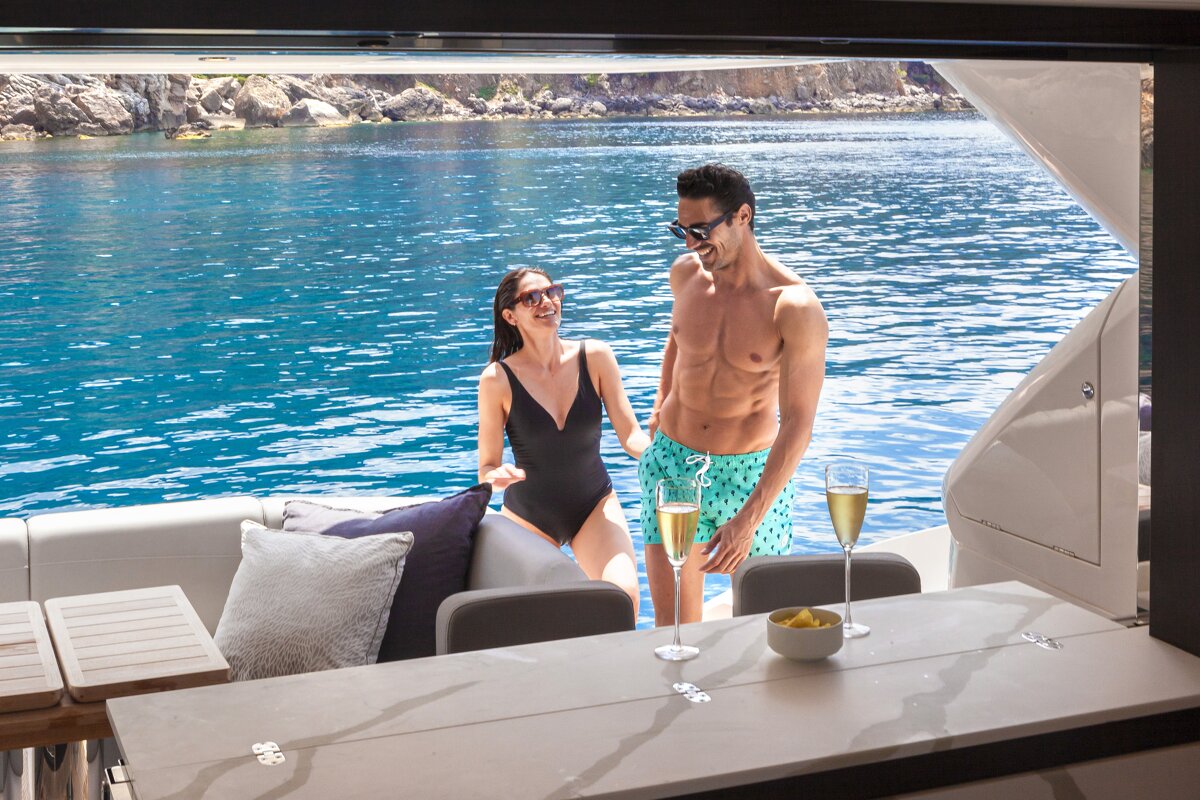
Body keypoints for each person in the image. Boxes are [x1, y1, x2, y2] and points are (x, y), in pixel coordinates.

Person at [640, 164, 828, 626]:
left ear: (742, 216)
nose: (690, 244)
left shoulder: (793, 306)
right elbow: (678, 339)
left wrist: (749, 519)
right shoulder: (685, 276)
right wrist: (660, 403)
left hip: (750, 477)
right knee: (675, 636)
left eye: (701, 230)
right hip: (671, 466)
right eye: (680, 230)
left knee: (766, 634)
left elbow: (799, 423)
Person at [478, 268, 649, 613]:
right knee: (540, 621)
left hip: (593, 504)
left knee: (623, 598)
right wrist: (497, 476)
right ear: (510, 315)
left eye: (553, 291)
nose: (547, 302)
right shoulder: (497, 379)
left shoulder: (595, 356)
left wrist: (661, 454)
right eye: (532, 297)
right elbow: (487, 469)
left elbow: (630, 435)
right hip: (529, 514)